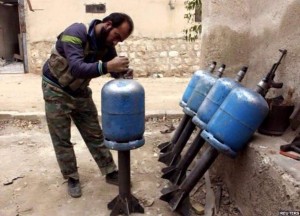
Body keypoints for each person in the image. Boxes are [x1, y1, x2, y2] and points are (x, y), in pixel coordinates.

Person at [41, 12, 134, 198]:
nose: (116, 42)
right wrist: (108, 66)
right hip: (56, 89)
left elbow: (111, 68)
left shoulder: (106, 44)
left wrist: (122, 72)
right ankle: (72, 177)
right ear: (107, 24)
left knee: (94, 133)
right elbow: (76, 67)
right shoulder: (75, 32)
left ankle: (109, 170)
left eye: (120, 40)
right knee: (61, 137)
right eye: (117, 36)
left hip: (80, 91)